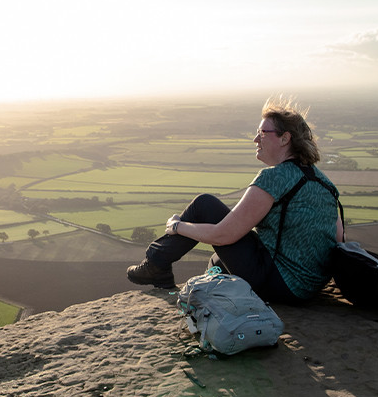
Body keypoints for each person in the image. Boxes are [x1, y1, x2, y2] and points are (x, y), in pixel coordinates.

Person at [126, 97, 343, 304]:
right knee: (216, 264)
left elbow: (223, 235)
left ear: (285, 138)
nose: (256, 139)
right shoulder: (324, 183)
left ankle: (155, 264)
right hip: (310, 287)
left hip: (280, 284)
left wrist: (177, 226)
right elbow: (338, 238)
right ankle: (179, 275)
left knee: (204, 205)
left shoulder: (275, 177)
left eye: (262, 133)